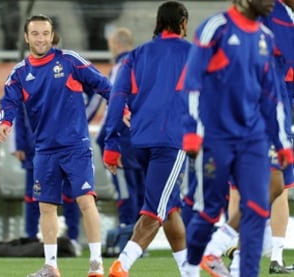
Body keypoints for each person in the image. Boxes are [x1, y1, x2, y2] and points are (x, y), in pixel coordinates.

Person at [180, 0, 294, 276]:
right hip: (216, 136)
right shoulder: (215, 28)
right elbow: (191, 82)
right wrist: (191, 130)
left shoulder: (265, 37)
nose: (271, 2)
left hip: (253, 139)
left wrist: (282, 143)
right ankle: (192, 266)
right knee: (209, 212)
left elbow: (272, 97)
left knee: (256, 206)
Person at [0, 14, 112, 277]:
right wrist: (4, 124)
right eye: (35, 33)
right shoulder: (19, 73)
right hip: (45, 150)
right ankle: (51, 266)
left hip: (76, 146)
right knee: (46, 207)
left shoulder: (69, 61)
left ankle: (96, 263)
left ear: (52, 35)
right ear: (26, 37)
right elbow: (8, 104)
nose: (41, 38)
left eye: (45, 33)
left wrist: (122, 108)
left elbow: (104, 85)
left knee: (86, 201)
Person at [103, 2, 191, 276]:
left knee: (170, 208)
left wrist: (111, 144)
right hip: (172, 141)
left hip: (138, 142)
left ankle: (190, 272)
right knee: (154, 210)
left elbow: (117, 98)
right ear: (183, 22)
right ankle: (122, 265)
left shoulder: (135, 55)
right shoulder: (194, 54)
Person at [96, 27, 146, 229]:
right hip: (143, 138)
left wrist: (105, 138)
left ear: (116, 45)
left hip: (123, 140)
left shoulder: (120, 68)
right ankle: (142, 239)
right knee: (141, 188)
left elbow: (114, 104)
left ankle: (128, 233)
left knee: (125, 189)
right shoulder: (143, 66)